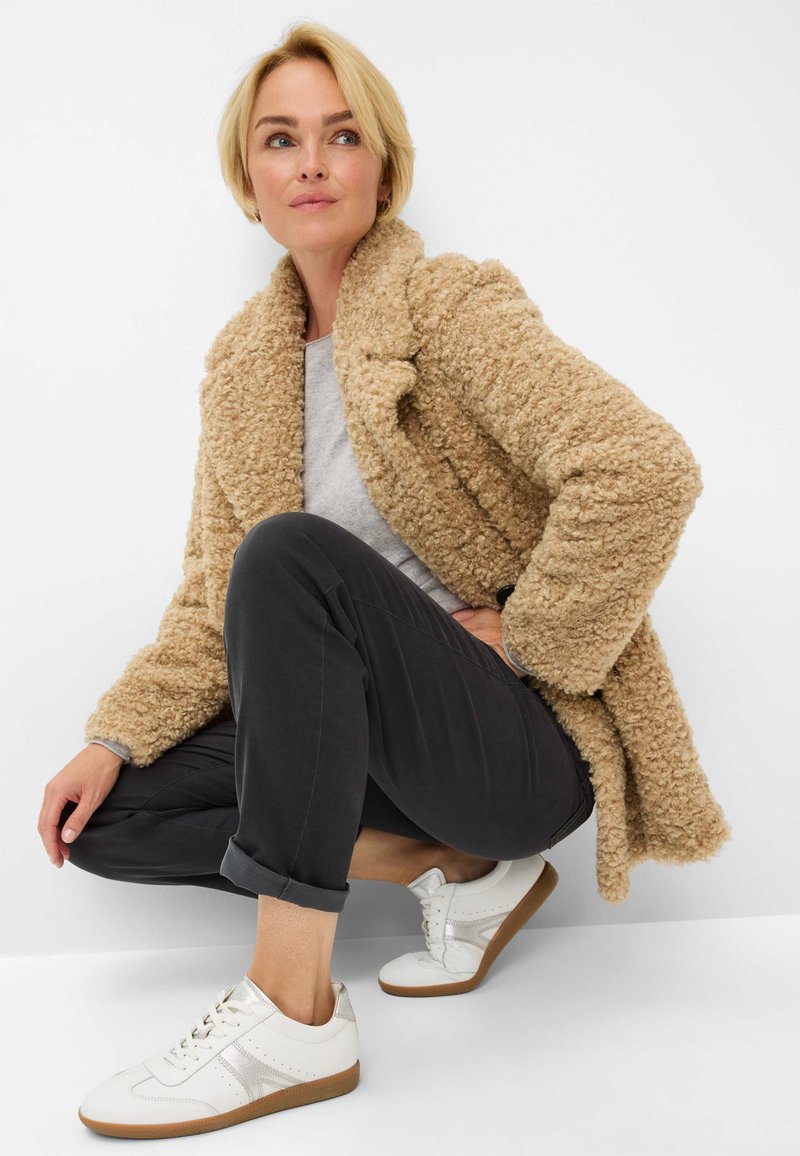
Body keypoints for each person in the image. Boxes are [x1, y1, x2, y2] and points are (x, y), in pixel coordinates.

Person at [37, 21, 731, 1140]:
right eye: (280, 139)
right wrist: (113, 738)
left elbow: (643, 469)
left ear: (383, 167)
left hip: (512, 749)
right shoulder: (241, 373)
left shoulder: (447, 310)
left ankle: (291, 1013)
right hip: (372, 754)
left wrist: (526, 636)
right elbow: (211, 604)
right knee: (107, 820)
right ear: (247, 178)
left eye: (342, 134)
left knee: (288, 554)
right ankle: (452, 869)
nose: (311, 162)